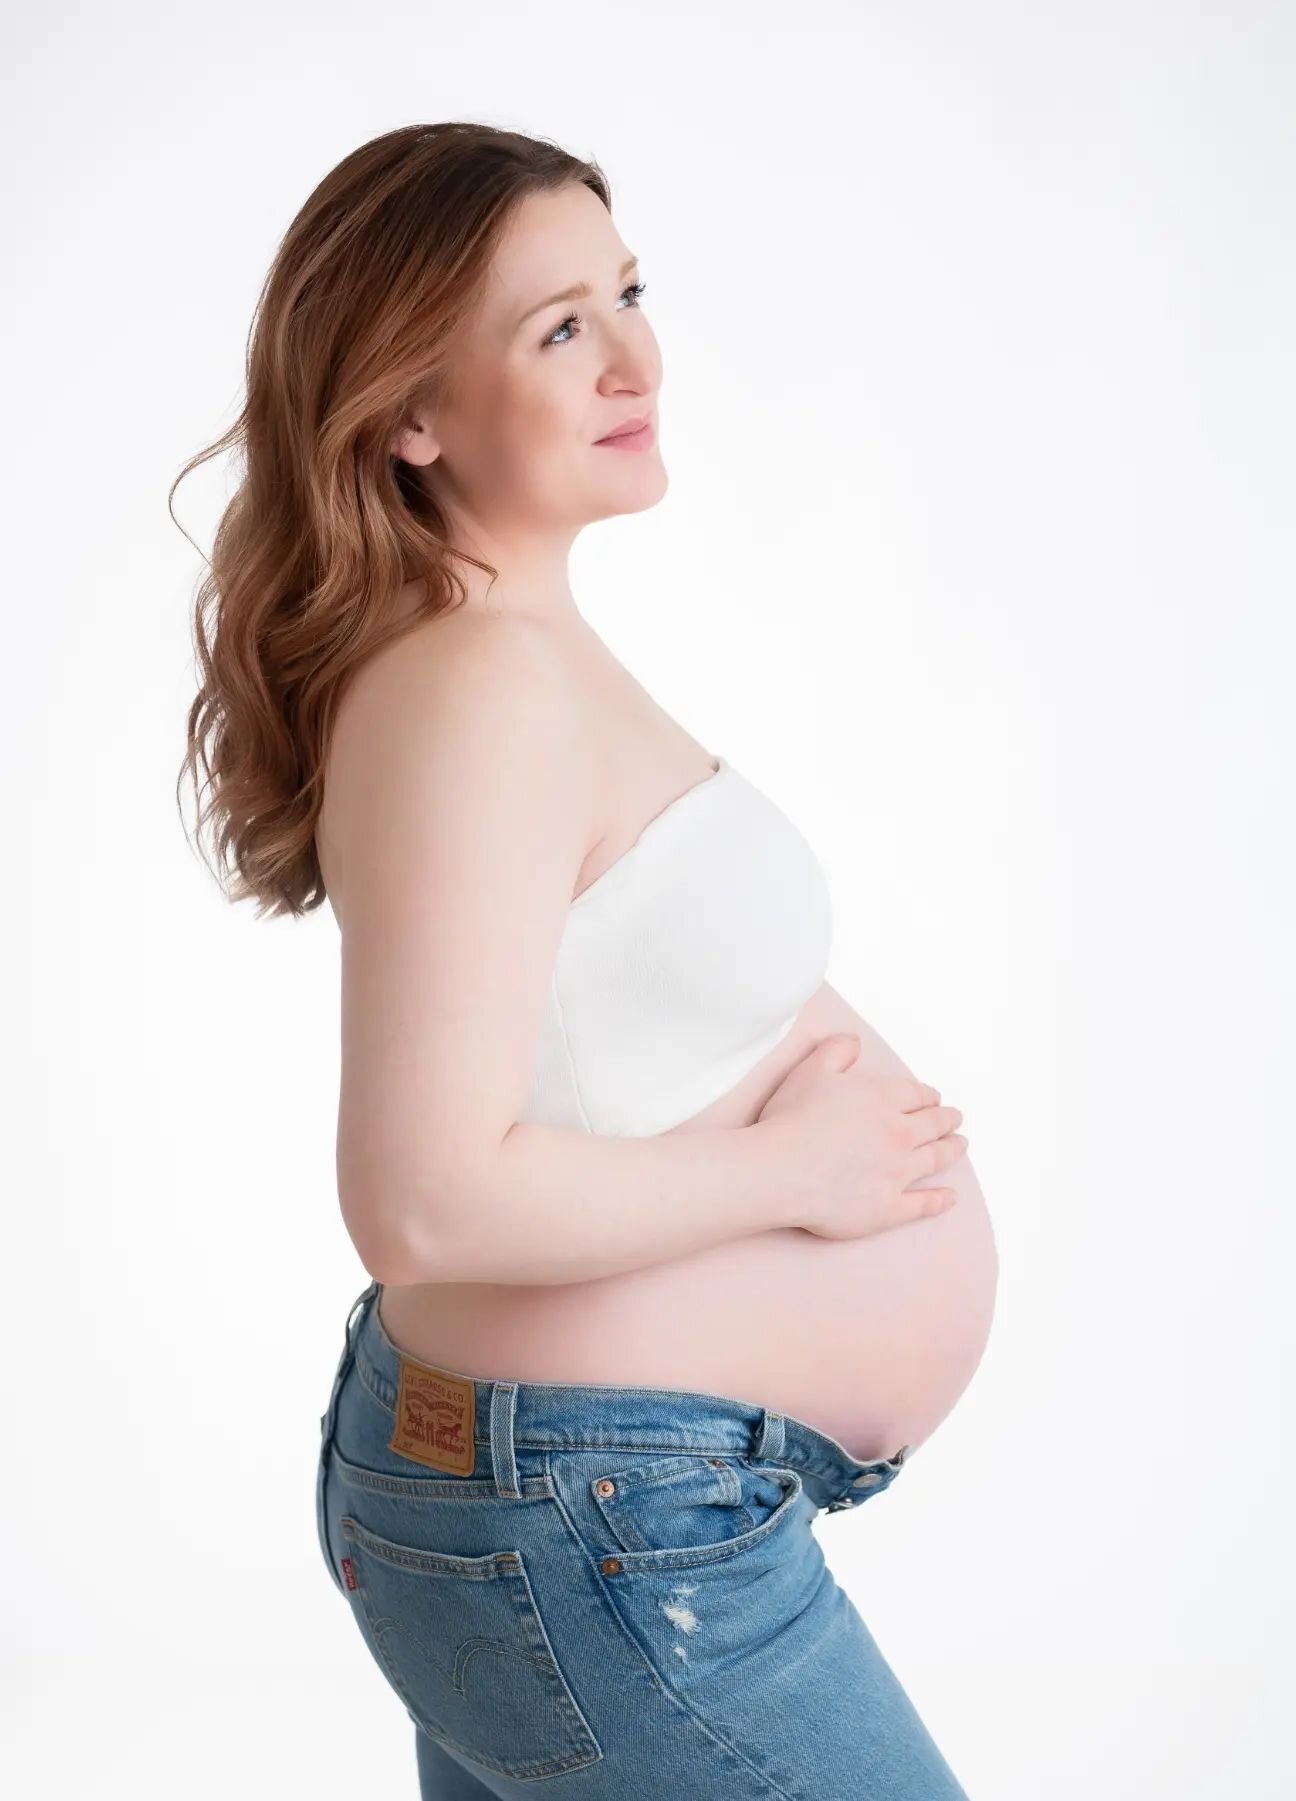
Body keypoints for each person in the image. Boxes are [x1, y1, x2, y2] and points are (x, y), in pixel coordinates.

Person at [175, 120, 994, 1799]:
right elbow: (424, 1197)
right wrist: (797, 1170)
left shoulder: (506, 650)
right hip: (600, 1522)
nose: (637, 356)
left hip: (584, 1508)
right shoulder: (471, 686)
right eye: (559, 328)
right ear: (408, 412)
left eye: (628, 293)